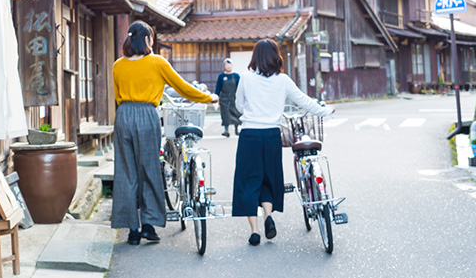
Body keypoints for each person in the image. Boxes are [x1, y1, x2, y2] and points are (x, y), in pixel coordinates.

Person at [111, 20, 219, 245]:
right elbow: (182, 87)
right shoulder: (157, 62)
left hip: (123, 115)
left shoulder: (118, 65)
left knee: (126, 172)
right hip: (147, 114)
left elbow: (118, 95)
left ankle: (132, 230)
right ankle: (148, 226)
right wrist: (208, 97)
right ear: (147, 40)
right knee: (149, 169)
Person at [232, 39, 334, 246]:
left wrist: (253, 113)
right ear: (275, 56)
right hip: (271, 135)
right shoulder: (283, 80)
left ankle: (255, 230)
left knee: (249, 181)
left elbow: (239, 105)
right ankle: (268, 216)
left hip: (249, 134)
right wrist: (326, 111)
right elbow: (304, 101)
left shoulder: (245, 78)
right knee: (269, 179)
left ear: (255, 57)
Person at [214, 58, 242, 137]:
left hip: (234, 98)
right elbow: (218, 88)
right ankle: (226, 131)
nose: (228, 66)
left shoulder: (236, 76)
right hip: (224, 98)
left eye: (229, 64)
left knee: (236, 113)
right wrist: (216, 97)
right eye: (226, 65)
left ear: (232, 66)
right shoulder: (221, 76)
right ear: (224, 66)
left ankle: (237, 130)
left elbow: (240, 88)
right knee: (225, 114)